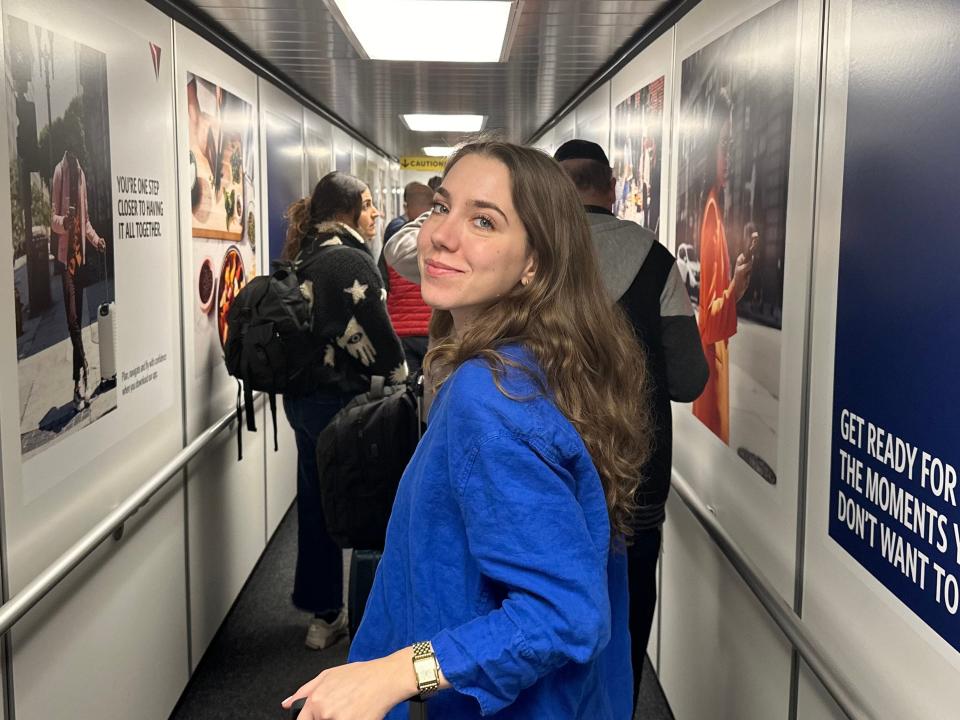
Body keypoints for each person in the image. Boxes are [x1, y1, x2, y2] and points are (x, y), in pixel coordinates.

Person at [282, 140, 652, 719]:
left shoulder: (492, 395)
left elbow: (565, 612)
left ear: (535, 261)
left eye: (483, 220)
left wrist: (402, 671)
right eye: (442, 206)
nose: (441, 235)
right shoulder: (541, 361)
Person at [553, 138, 708, 703]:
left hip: (545, 475)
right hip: (635, 477)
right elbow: (689, 381)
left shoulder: (531, 257)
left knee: (541, 604)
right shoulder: (657, 259)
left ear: (554, 190)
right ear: (611, 185)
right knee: (626, 612)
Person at [280, 171, 407, 651]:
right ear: (345, 210)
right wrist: (404, 384)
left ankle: (324, 615)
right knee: (370, 506)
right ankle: (376, 619)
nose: (376, 213)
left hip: (303, 402)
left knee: (316, 505)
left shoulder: (304, 253)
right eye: (369, 204)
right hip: (343, 405)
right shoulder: (350, 260)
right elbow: (383, 341)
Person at [691, 89, 754, 444]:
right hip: (712, 366)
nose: (728, 157)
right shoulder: (712, 212)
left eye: (731, 146)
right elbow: (712, 319)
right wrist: (737, 285)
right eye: (723, 145)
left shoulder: (711, 206)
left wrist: (736, 284)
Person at [51, 150, 106, 411]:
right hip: (65, 263)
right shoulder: (59, 172)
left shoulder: (81, 174)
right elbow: (53, 220)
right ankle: (85, 365)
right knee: (72, 321)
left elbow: (86, 222)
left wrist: (96, 240)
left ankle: (77, 385)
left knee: (79, 326)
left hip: (80, 261)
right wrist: (65, 220)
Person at [380, 182, 434, 373]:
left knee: (408, 391)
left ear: (408, 206)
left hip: (401, 332)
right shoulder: (441, 243)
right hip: (431, 331)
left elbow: (383, 287)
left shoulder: (395, 244)